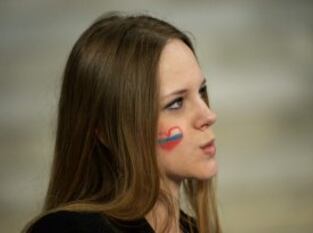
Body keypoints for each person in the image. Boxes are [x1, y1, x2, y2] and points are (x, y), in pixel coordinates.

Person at [24, 12, 222, 233]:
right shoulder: (70, 230)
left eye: (201, 91)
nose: (208, 115)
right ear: (106, 132)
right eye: (176, 103)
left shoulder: (196, 229)